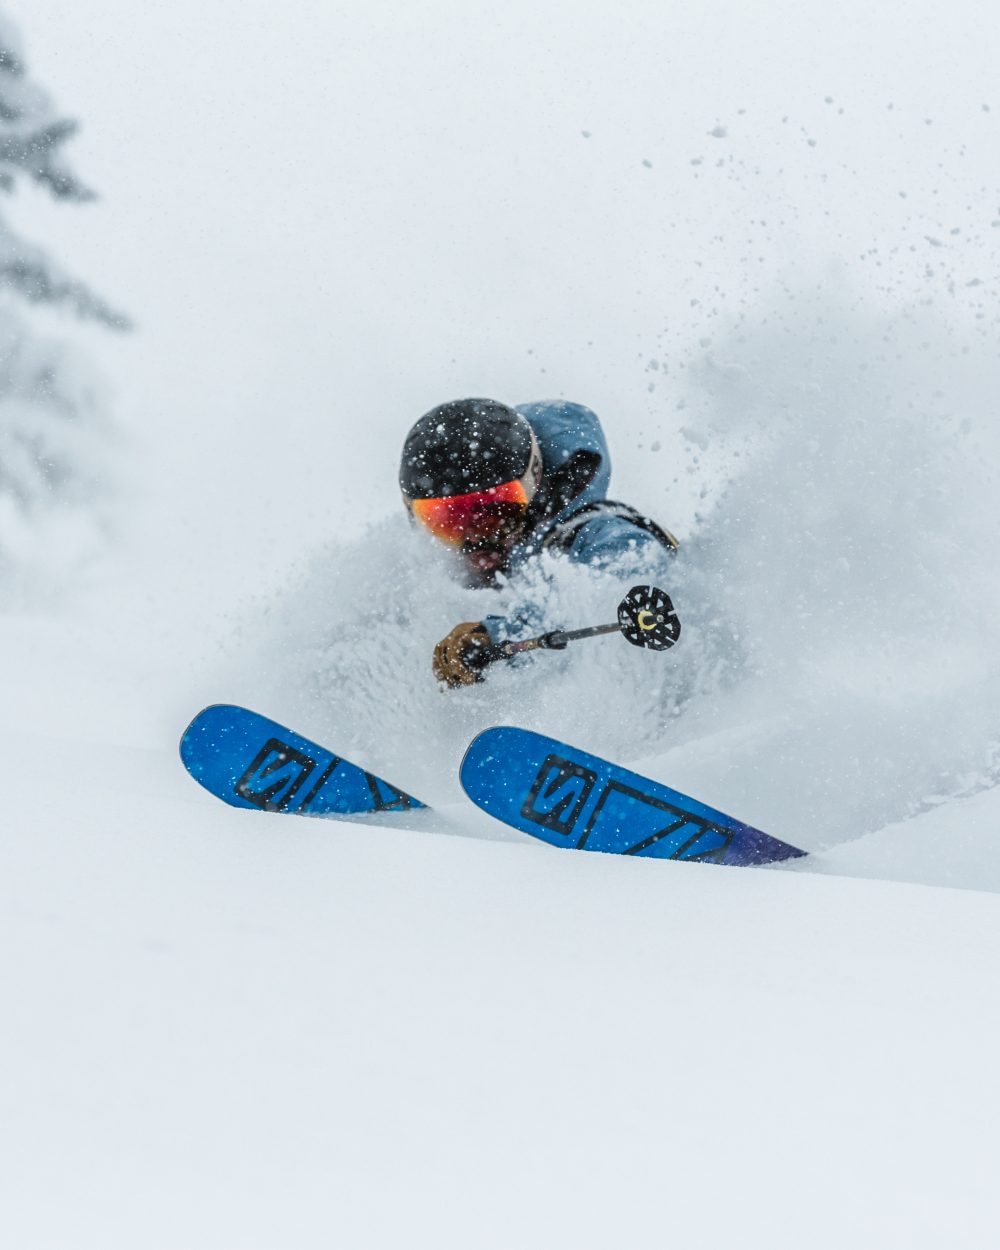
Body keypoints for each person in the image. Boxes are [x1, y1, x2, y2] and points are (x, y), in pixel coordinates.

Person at [399, 397, 678, 687]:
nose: (475, 540)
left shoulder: (589, 532)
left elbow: (629, 567)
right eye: (447, 522)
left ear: (533, 482)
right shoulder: (441, 573)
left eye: (494, 512)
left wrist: (501, 636)